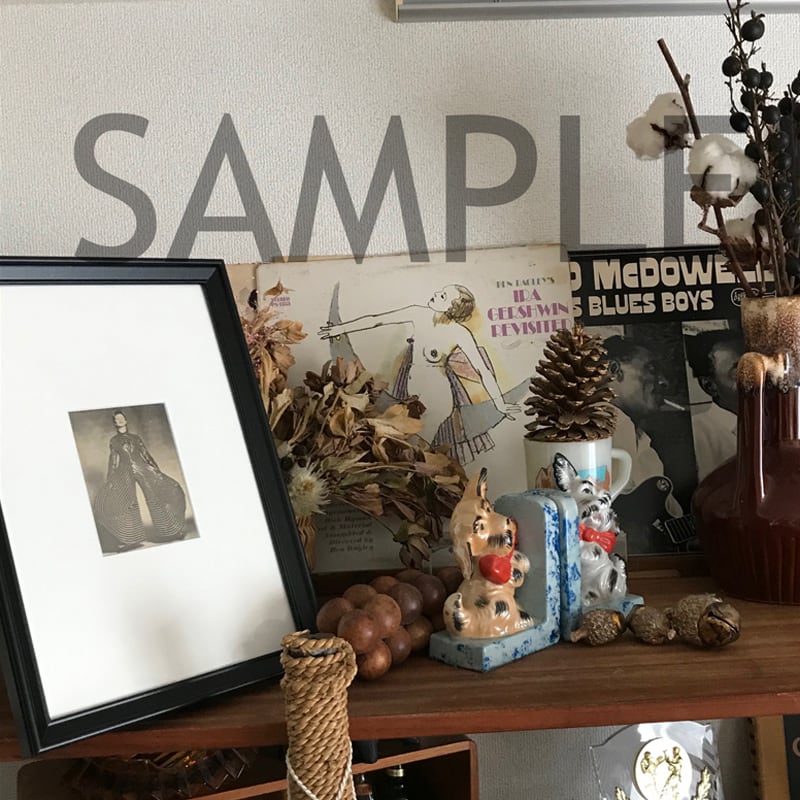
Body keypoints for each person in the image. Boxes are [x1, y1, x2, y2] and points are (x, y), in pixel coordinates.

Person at [319, 284, 520, 463]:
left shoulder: (460, 333)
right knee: (406, 443)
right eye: (440, 291)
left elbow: (483, 371)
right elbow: (378, 321)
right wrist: (340, 329)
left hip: (436, 397)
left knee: (420, 448)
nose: (436, 294)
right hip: (410, 392)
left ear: (452, 308)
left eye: (443, 296)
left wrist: (500, 404)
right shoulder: (418, 313)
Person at [93, 410, 187, 551]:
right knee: (127, 501)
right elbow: (113, 461)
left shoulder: (136, 438)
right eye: (117, 419)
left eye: (121, 418)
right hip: (124, 471)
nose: (120, 421)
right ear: (114, 423)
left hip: (142, 468)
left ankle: (169, 531)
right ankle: (130, 539)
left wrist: (157, 471)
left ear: (126, 421)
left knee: (155, 497)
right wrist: (109, 479)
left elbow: (146, 455)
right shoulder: (114, 441)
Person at [685, 328, 743, 482]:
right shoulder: (696, 435)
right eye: (739, 371)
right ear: (710, 386)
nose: (758, 377)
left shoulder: (781, 421)